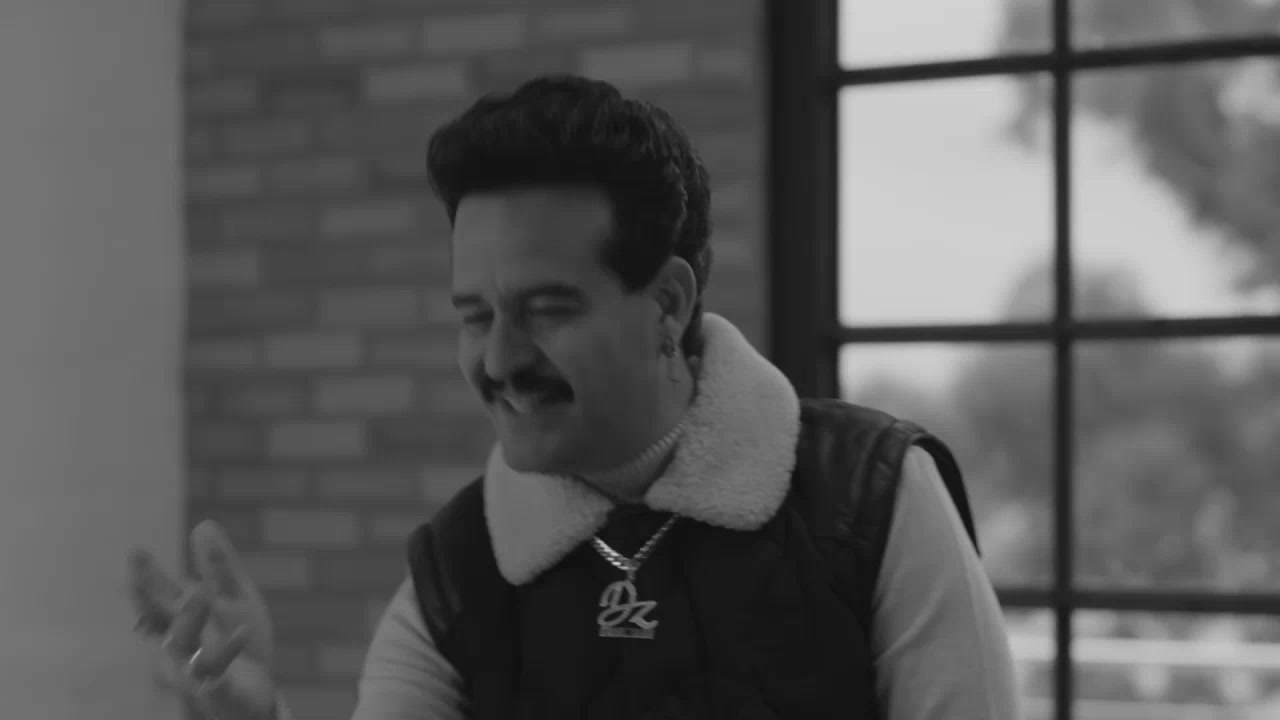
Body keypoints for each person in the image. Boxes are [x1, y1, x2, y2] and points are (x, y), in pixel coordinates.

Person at [128, 74, 1019, 720]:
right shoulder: (458, 572)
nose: (500, 359)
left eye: (546, 310)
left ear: (667, 304)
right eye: (475, 316)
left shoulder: (872, 500)